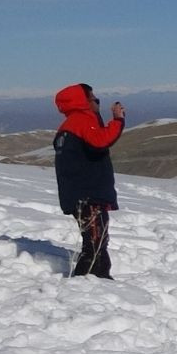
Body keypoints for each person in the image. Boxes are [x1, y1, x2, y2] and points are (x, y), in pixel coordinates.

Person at [53, 83, 127, 279]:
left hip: (81, 194)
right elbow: (100, 141)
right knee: (94, 243)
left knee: (98, 240)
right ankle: (81, 285)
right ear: (84, 102)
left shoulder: (71, 124)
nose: (98, 103)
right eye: (95, 99)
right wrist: (118, 120)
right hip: (88, 195)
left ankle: (102, 279)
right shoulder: (81, 121)